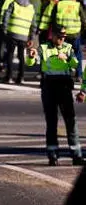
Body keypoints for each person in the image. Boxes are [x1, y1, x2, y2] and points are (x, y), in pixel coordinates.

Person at [26, 28, 84, 166]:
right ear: (52, 36)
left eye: (64, 37)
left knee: (71, 122)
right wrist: (31, 56)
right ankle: (53, 156)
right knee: (51, 122)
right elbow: (30, 63)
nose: (62, 39)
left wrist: (68, 58)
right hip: (49, 86)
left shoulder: (68, 48)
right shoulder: (44, 47)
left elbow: (76, 65)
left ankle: (76, 155)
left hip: (64, 86)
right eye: (60, 37)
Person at [1, 0, 36, 84]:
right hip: (24, 36)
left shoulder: (14, 4)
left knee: (10, 55)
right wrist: (31, 38)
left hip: (12, 33)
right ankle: (21, 77)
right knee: (21, 56)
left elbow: (6, 17)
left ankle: (9, 77)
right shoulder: (31, 7)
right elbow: (34, 24)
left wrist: (4, 29)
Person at [51, 0, 86, 78]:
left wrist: (57, 31)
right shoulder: (78, 5)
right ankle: (78, 75)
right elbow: (84, 20)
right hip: (75, 34)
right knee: (77, 54)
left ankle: (65, 74)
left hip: (62, 35)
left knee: (63, 53)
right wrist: (82, 31)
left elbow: (53, 19)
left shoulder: (59, 4)